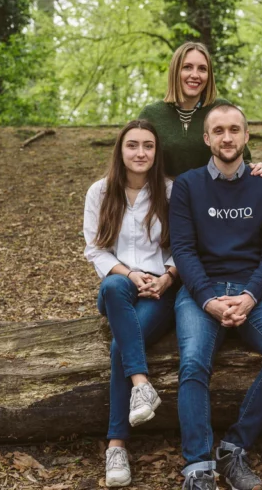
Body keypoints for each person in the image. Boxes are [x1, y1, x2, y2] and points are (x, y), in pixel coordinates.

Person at [169, 103, 262, 490]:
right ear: (206, 138)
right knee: (193, 362)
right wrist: (209, 299)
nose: (227, 137)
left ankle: (233, 448)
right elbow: (183, 249)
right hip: (200, 292)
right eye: (219, 131)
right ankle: (197, 467)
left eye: (235, 130)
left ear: (247, 137)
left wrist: (249, 296)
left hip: (253, 292)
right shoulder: (187, 185)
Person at [83, 119, 179, 487]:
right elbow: (96, 249)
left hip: (161, 289)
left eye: (148, 146)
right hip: (121, 284)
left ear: (157, 153)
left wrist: (166, 277)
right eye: (133, 145)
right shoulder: (100, 192)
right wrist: (128, 273)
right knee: (110, 289)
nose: (141, 153)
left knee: (118, 345)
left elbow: (184, 247)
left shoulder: (171, 192)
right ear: (120, 151)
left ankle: (116, 444)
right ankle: (141, 384)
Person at [138, 41, 262, 178]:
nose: (195, 75)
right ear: (175, 71)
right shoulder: (151, 114)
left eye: (202, 69)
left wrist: (256, 168)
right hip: (164, 196)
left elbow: (242, 160)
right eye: (187, 67)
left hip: (213, 195)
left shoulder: (221, 110)